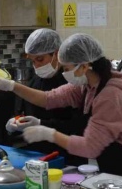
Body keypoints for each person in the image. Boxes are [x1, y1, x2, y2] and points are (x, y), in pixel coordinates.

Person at [0, 33, 122, 180]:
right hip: (110, 161)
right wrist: (10, 86)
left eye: (67, 68)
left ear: (84, 66)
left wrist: (48, 133)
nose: (65, 73)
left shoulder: (109, 95)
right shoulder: (85, 86)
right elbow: (48, 98)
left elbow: (90, 146)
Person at [6, 28, 88, 166]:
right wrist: (14, 126)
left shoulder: (73, 82)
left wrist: (41, 124)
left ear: (56, 53)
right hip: (37, 157)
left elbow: (79, 127)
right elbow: (23, 113)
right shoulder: (35, 81)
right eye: (32, 61)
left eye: (40, 59)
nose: (36, 66)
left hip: (67, 158)